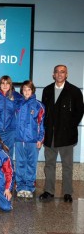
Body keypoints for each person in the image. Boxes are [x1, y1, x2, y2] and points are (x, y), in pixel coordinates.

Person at [39, 65, 84, 203]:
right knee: (49, 165)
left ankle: (67, 193)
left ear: (66, 74)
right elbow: (44, 112)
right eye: (57, 72)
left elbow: (79, 112)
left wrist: (70, 127)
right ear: (53, 74)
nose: (59, 74)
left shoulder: (75, 91)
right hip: (50, 135)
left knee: (67, 166)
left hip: (66, 136)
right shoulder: (47, 90)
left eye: (62, 72)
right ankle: (49, 191)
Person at [15, 81, 45, 198]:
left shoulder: (39, 106)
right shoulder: (18, 104)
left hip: (33, 140)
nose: (26, 92)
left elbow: (41, 124)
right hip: (19, 139)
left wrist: (40, 139)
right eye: (24, 89)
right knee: (20, 163)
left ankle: (29, 187)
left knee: (31, 164)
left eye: (29, 89)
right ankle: (20, 187)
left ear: (32, 90)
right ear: (21, 91)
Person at [0, 75, 22, 162]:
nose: (5, 85)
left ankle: (9, 174)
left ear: (11, 85)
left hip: (10, 131)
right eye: (3, 83)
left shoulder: (17, 96)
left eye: (7, 83)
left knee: (8, 154)